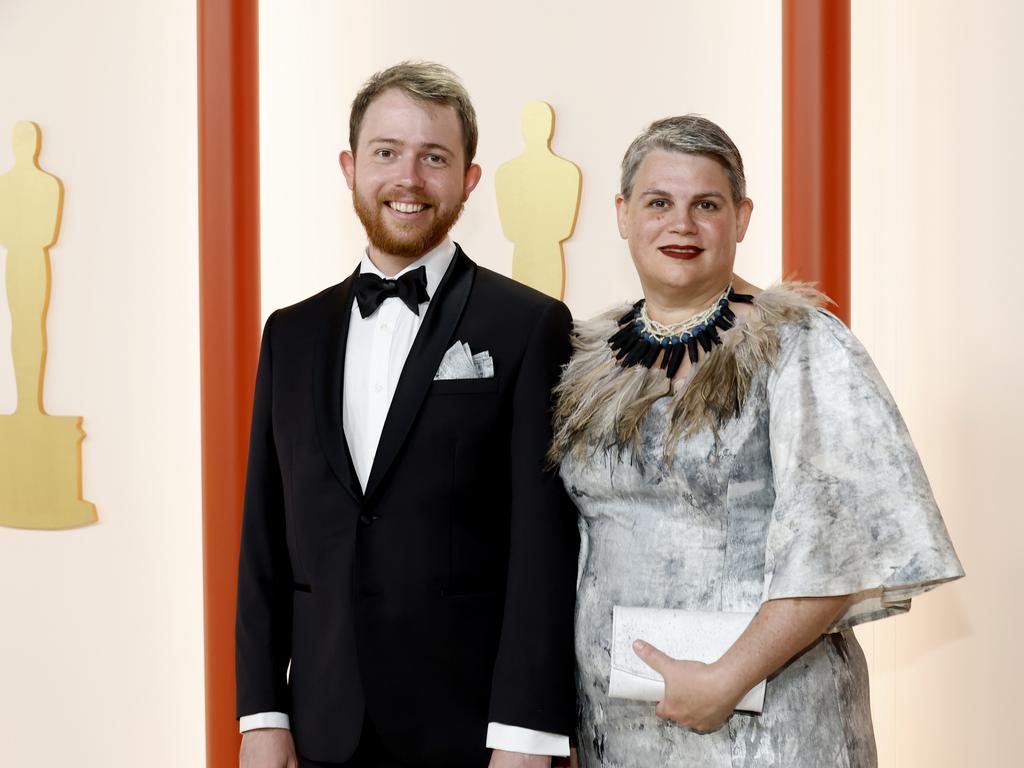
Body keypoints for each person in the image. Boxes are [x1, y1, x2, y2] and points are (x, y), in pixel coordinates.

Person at [550, 115, 964, 767]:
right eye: (659, 202)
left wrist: (726, 679)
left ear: (740, 218)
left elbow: (842, 537)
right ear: (623, 213)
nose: (680, 225)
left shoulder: (803, 347)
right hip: (616, 733)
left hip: (771, 726)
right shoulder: (582, 357)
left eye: (706, 205)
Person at [236, 62, 579, 768]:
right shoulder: (289, 334)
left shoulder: (528, 325)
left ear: (469, 179)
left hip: (471, 730)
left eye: (435, 158)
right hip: (318, 725)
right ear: (349, 166)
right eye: (386, 152)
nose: (409, 179)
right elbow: (263, 542)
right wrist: (261, 715)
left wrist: (524, 739)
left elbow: (543, 550)